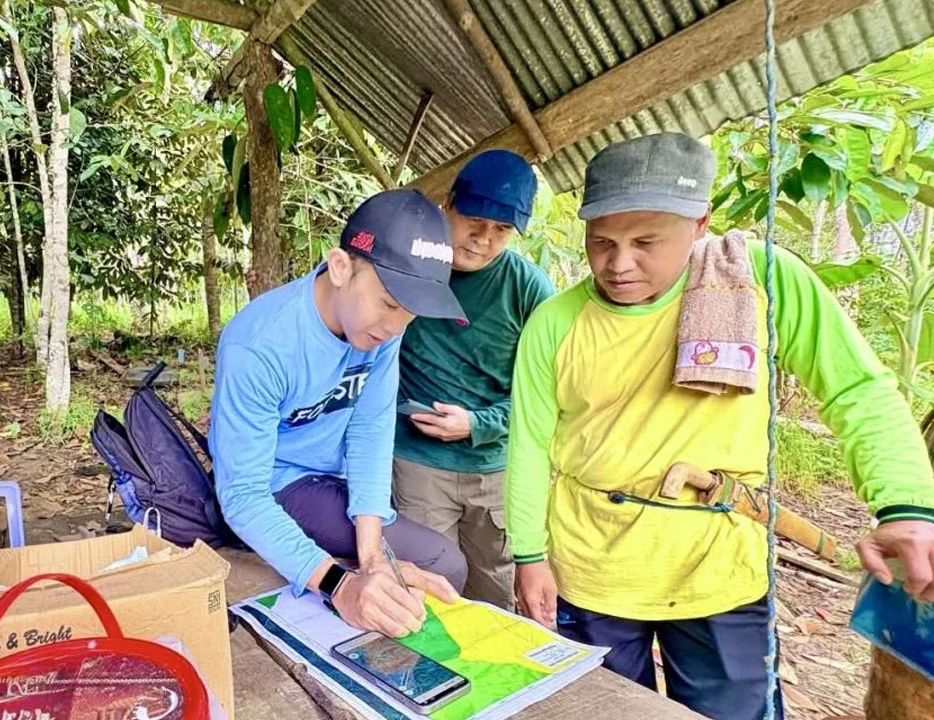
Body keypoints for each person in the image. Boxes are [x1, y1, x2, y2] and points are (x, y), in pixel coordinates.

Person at [507, 133, 934, 720]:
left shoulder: (760, 281)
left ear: (700, 222)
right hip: (593, 565)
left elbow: (855, 389)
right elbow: (528, 444)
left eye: (645, 242)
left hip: (720, 568)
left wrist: (906, 506)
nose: (618, 263)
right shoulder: (557, 321)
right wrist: (530, 556)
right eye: (601, 241)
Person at [210, 189, 470, 639]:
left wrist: (372, 557)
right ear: (341, 267)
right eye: (390, 304)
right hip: (279, 482)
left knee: (412, 573)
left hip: (334, 478)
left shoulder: (381, 332)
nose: (395, 326)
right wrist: (341, 585)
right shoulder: (259, 345)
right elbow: (243, 495)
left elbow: (370, 430)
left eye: (409, 315)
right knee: (440, 562)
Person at [392, 150, 553, 610]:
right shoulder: (410, 269)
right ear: (449, 205)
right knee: (427, 589)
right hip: (417, 462)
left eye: (501, 231)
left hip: (496, 470)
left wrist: (479, 423)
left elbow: (545, 393)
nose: (483, 240)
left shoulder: (528, 287)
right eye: (474, 222)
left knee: (493, 591)